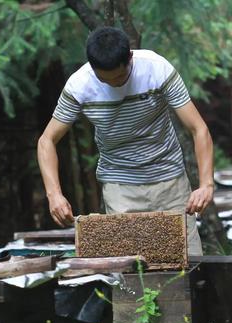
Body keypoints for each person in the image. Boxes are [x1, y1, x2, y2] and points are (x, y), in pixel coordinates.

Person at [37, 27, 214, 255]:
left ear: (130, 57)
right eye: (105, 79)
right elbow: (47, 140)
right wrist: (54, 194)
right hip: (119, 186)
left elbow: (198, 128)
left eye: (121, 76)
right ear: (92, 68)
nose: (114, 84)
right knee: (131, 268)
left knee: (187, 262)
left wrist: (206, 184)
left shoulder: (157, 69)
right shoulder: (79, 86)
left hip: (169, 179)